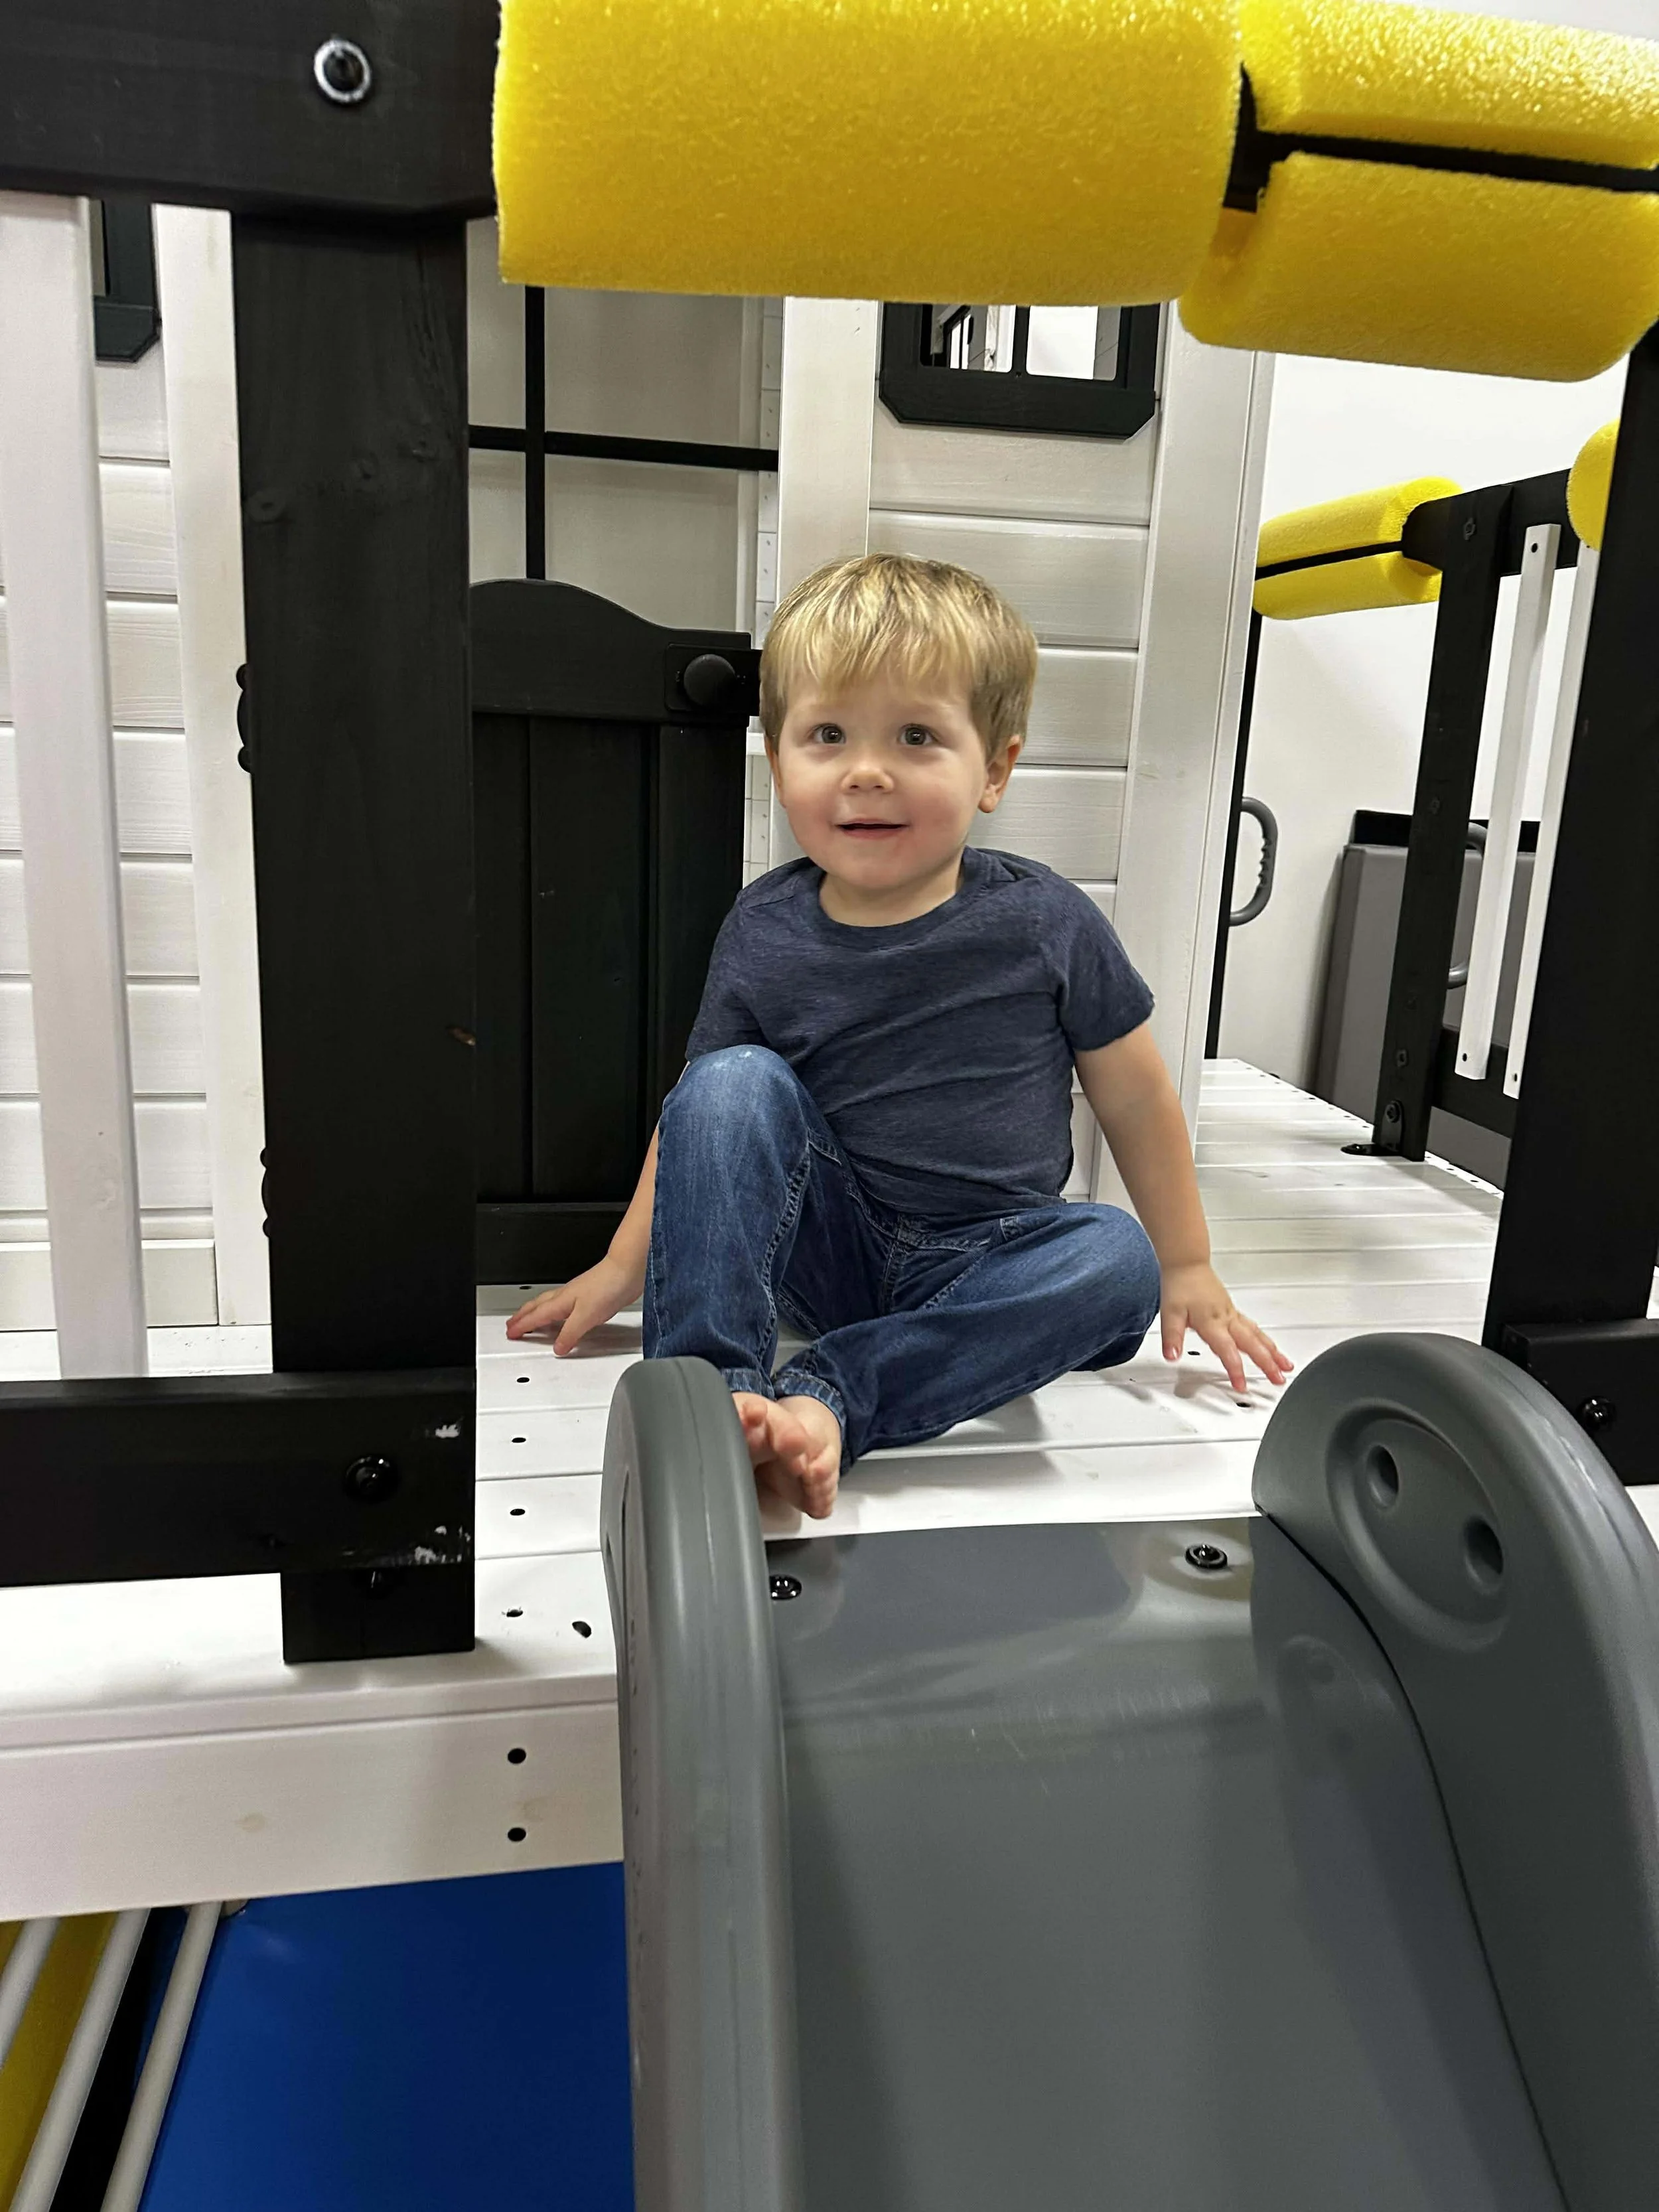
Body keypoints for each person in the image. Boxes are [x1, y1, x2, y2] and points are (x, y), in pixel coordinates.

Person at [509, 553, 1288, 1517]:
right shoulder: (763, 928)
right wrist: (626, 1265)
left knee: (1114, 1259)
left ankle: (835, 1400)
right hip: (826, 1243)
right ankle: (710, 1400)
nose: (867, 771)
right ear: (780, 759)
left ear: (994, 768)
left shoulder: (1045, 921)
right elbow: (703, 1126)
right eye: (827, 734)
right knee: (729, 1082)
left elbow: (1134, 1095)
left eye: (917, 736)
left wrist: (1188, 1264)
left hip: (991, 1257)